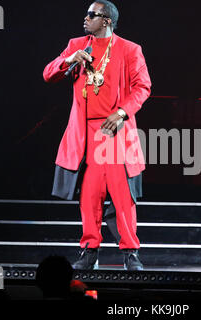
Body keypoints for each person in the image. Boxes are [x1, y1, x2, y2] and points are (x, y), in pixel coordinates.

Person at [43, 0, 151, 271]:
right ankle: (89, 251)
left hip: (114, 132)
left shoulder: (129, 49)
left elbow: (143, 87)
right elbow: (48, 74)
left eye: (92, 15)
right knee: (89, 195)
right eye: (87, 13)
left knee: (122, 196)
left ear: (106, 20)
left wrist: (123, 112)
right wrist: (69, 60)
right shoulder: (77, 44)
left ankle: (130, 252)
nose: (86, 18)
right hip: (86, 134)